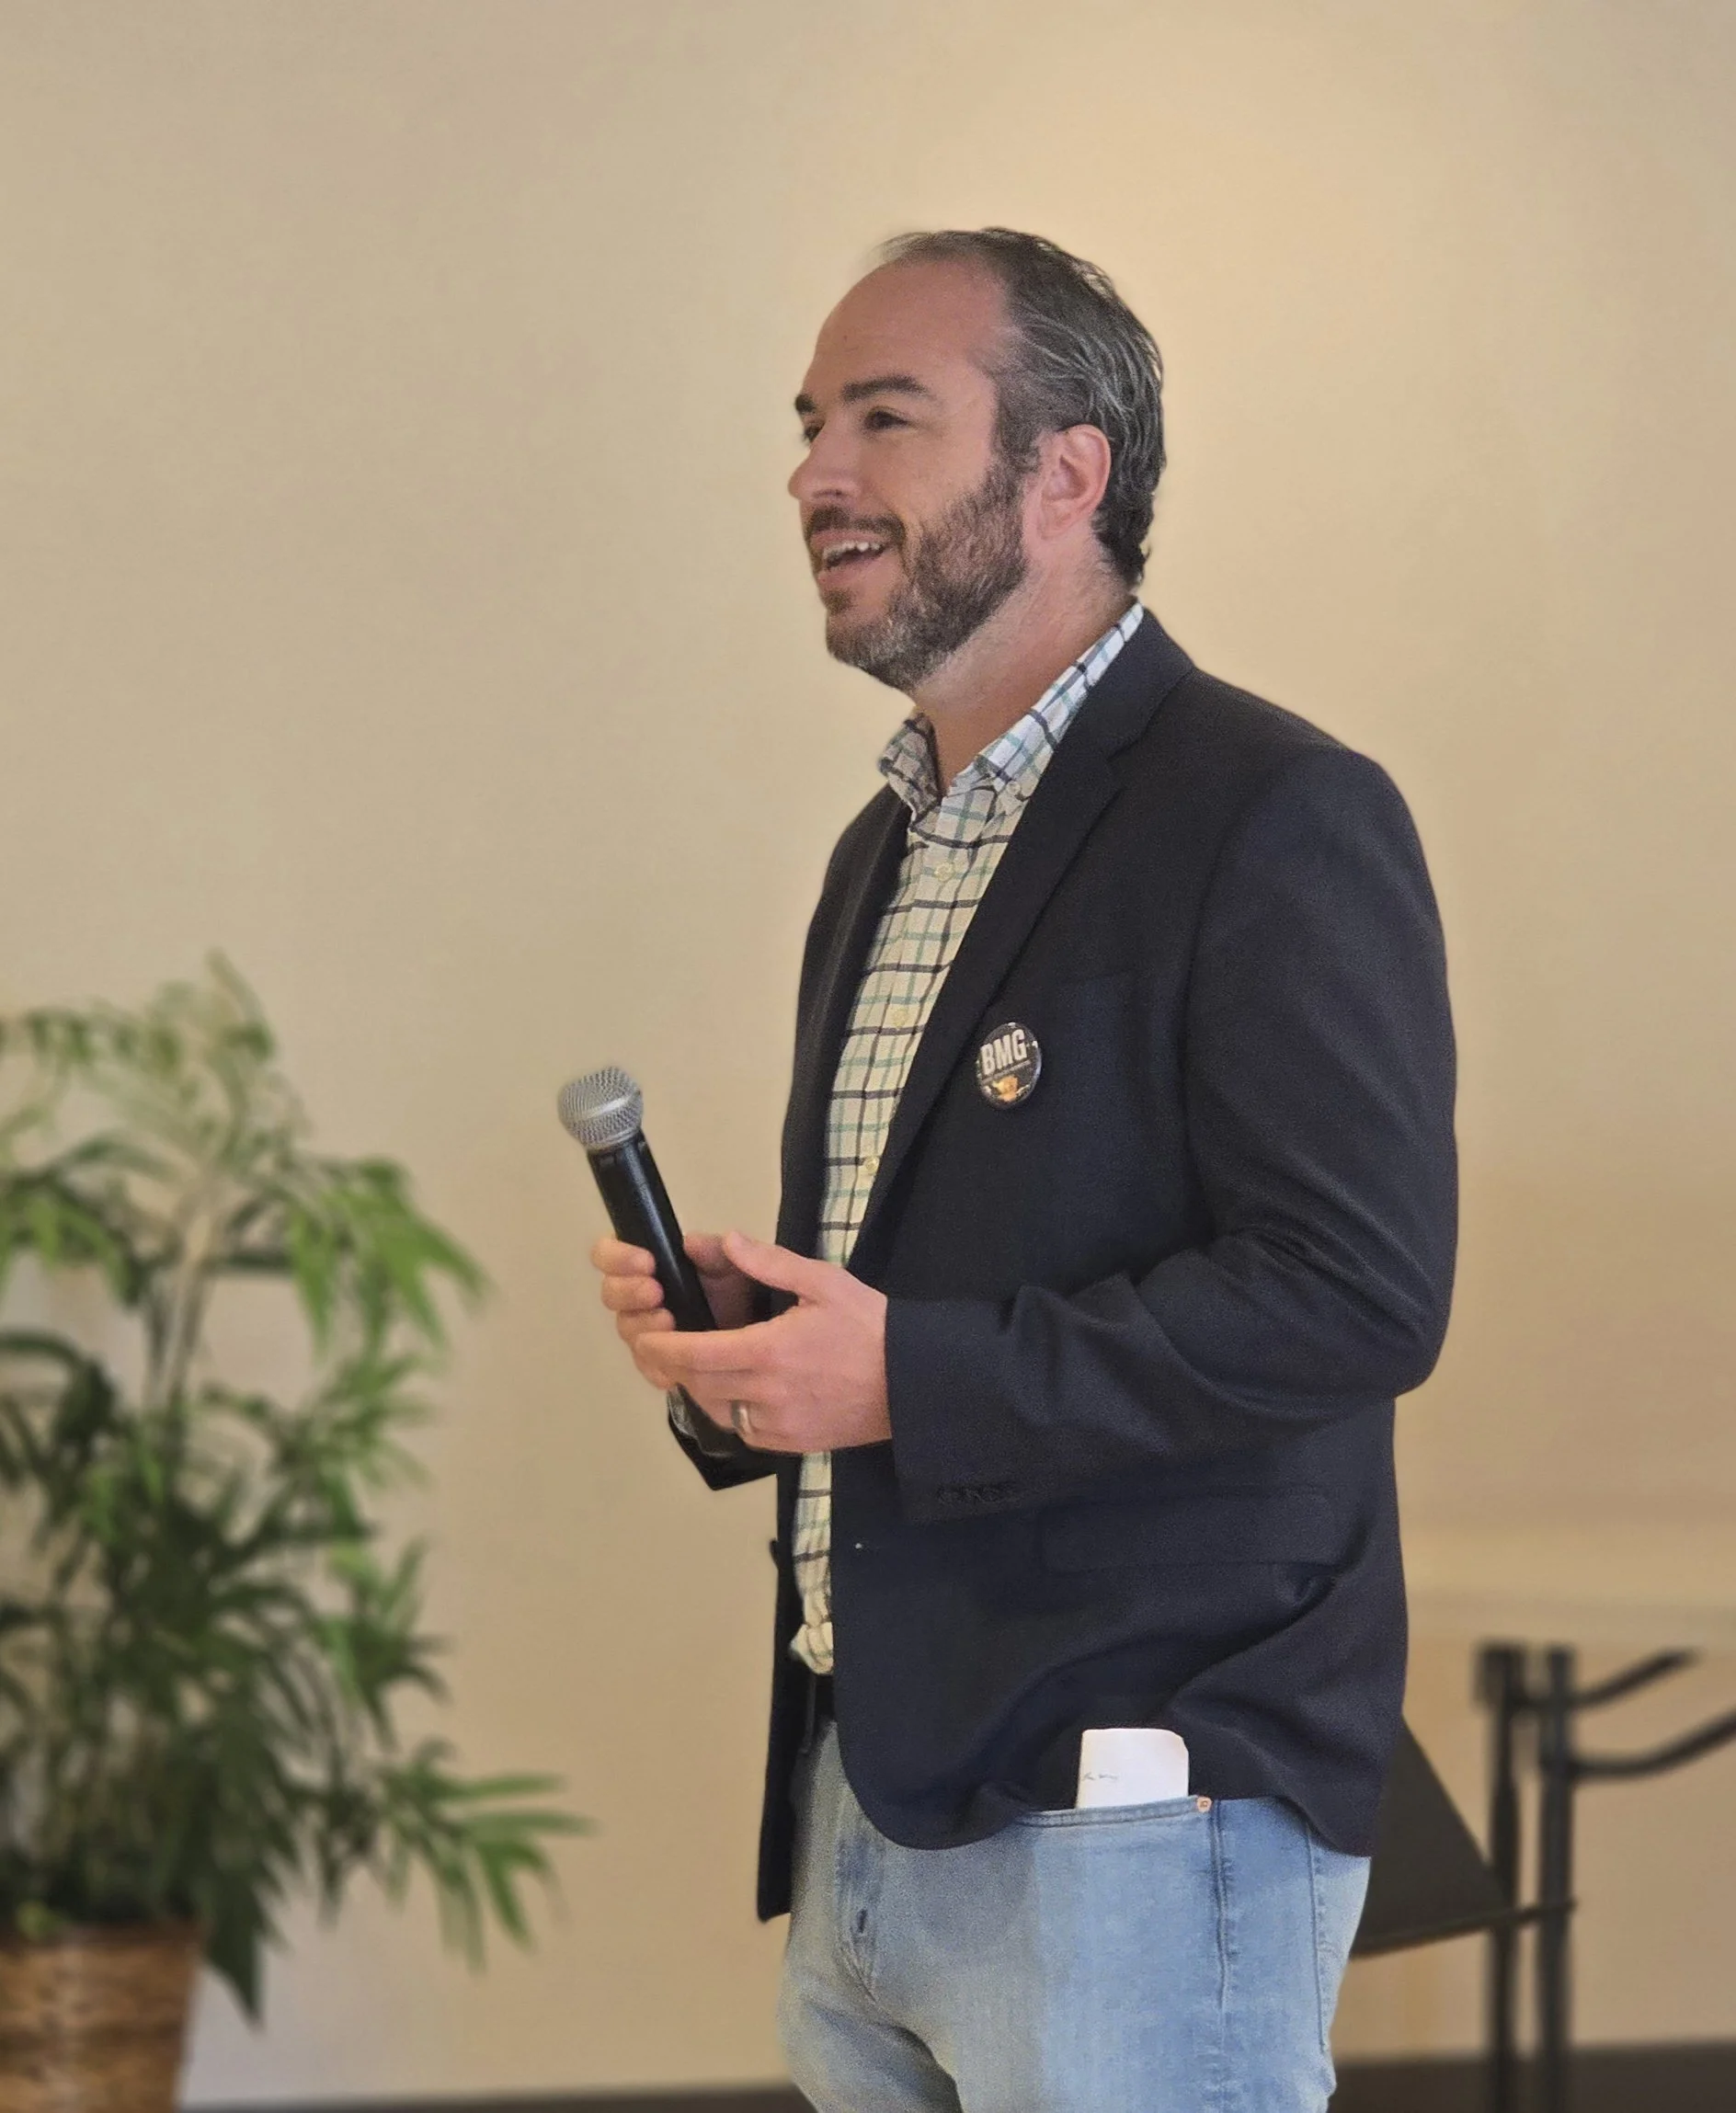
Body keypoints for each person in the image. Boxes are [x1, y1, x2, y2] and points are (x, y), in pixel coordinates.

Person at [590, 228, 1456, 2113]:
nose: (815, 475)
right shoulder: (880, 852)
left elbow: (1354, 1295)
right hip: (870, 1796)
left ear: (1065, 474)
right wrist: (760, 1353)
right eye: (809, 425)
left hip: (1136, 1807)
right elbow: (946, 1286)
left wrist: (903, 1369)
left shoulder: (1272, 810)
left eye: (883, 418)